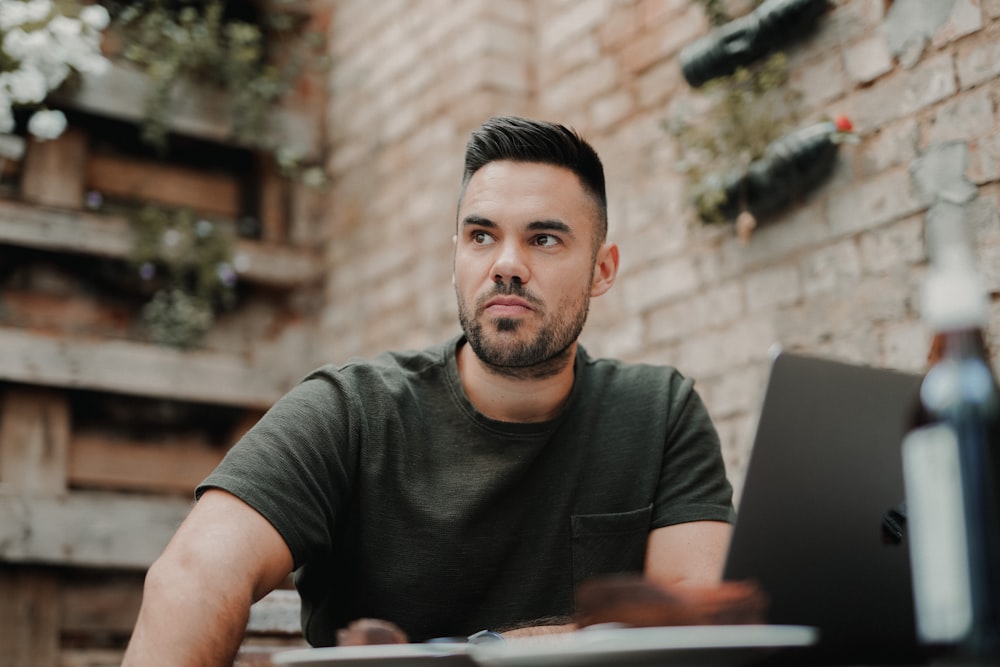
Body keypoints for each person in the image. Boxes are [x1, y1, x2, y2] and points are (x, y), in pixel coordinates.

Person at [121, 116, 735, 665]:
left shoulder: (659, 414)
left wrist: (483, 654)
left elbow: (695, 619)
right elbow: (194, 576)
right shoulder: (351, 411)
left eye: (544, 239)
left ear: (602, 269)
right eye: (481, 236)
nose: (507, 264)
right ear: (456, 258)